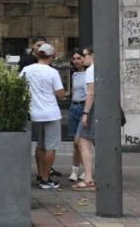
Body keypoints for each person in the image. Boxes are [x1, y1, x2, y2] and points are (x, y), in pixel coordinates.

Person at [21, 43, 65, 189]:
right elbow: (61, 94)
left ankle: (40, 175)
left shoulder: (27, 69)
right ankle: (45, 179)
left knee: (40, 146)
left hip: (34, 112)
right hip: (51, 113)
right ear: (50, 57)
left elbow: (19, 86)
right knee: (51, 147)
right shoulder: (52, 72)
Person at [73, 46, 96, 190]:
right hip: (103, 109)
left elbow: (91, 93)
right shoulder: (102, 69)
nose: (83, 58)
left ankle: (88, 179)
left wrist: (85, 114)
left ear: (93, 55)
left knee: (83, 143)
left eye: (85, 55)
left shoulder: (91, 70)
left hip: (93, 109)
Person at [68, 49, 88, 182]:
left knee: (79, 142)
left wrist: (86, 111)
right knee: (76, 144)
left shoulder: (90, 73)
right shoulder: (74, 74)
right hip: (74, 107)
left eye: (79, 58)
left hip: (84, 108)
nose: (76, 61)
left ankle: (87, 170)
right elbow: (74, 91)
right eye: (74, 58)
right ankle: (75, 171)